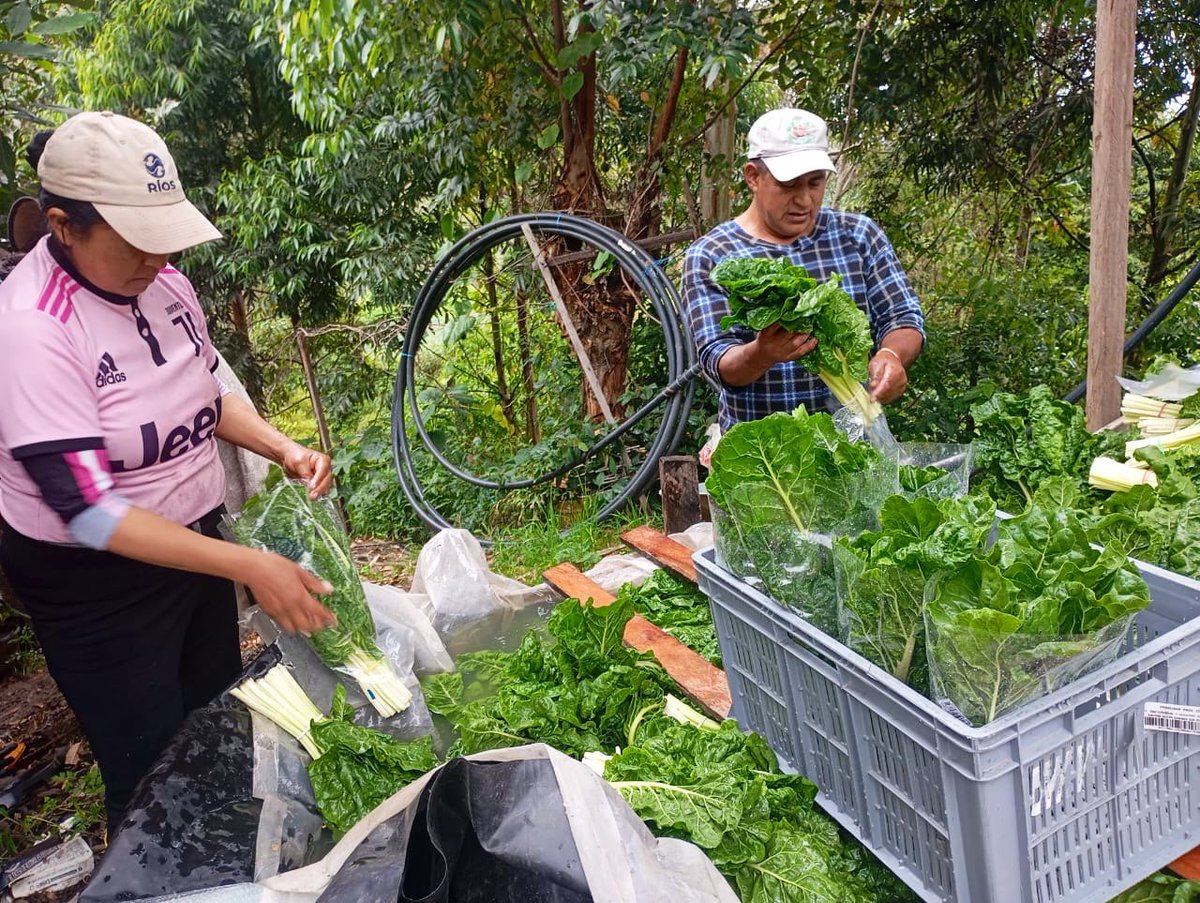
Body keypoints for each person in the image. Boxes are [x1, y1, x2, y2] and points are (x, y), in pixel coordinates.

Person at [0, 111, 338, 829]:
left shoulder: (165, 285)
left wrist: (281, 445)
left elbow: (205, 391)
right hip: (98, 585)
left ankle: (226, 854)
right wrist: (250, 562)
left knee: (214, 718)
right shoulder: (32, 328)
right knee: (149, 769)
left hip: (195, 546)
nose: (158, 258)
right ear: (63, 226)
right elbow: (89, 512)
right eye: (136, 241)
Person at [684, 108, 925, 431]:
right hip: (766, 459)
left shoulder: (858, 235)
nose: (804, 201)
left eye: (815, 183)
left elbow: (903, 318)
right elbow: (718, 361)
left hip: (858, 451)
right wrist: (762, 352)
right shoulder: (713, 255)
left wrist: (892, 356)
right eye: (789, 186)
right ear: (753, 176)